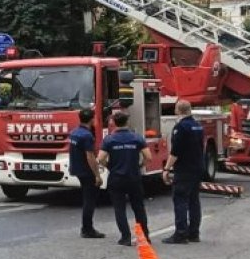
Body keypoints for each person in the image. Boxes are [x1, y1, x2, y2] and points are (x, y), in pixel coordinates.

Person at [98, 111, 151, 246]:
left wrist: (110, 166)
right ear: (127, 122)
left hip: (116, 178)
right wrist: (140, 165)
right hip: (134, 177)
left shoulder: (109, 139)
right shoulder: (137, 138)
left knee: (119, 208)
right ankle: (144, 237)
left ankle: (125, 237)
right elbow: (148, 157)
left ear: (114, 123)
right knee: (138, 208)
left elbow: (100, 158)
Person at [162, 100, 205, 244]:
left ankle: (180, 234)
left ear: (177, 110)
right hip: (197, 167)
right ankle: (194, 233)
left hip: (184, 169)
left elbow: (176, 152)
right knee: (194, 201)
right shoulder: (198, 126)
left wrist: (167, 169)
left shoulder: (180, 128)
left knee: (180, 199)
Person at [68, 108, 104, 238]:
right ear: (92, 119)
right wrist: (97, 175)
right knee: (89, 201)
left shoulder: (73, 133)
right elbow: (90, 157)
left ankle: (86, 228)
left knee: (87, 198)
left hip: (76, 169)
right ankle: (87, 228)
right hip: (86, 170)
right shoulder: (87, 136)